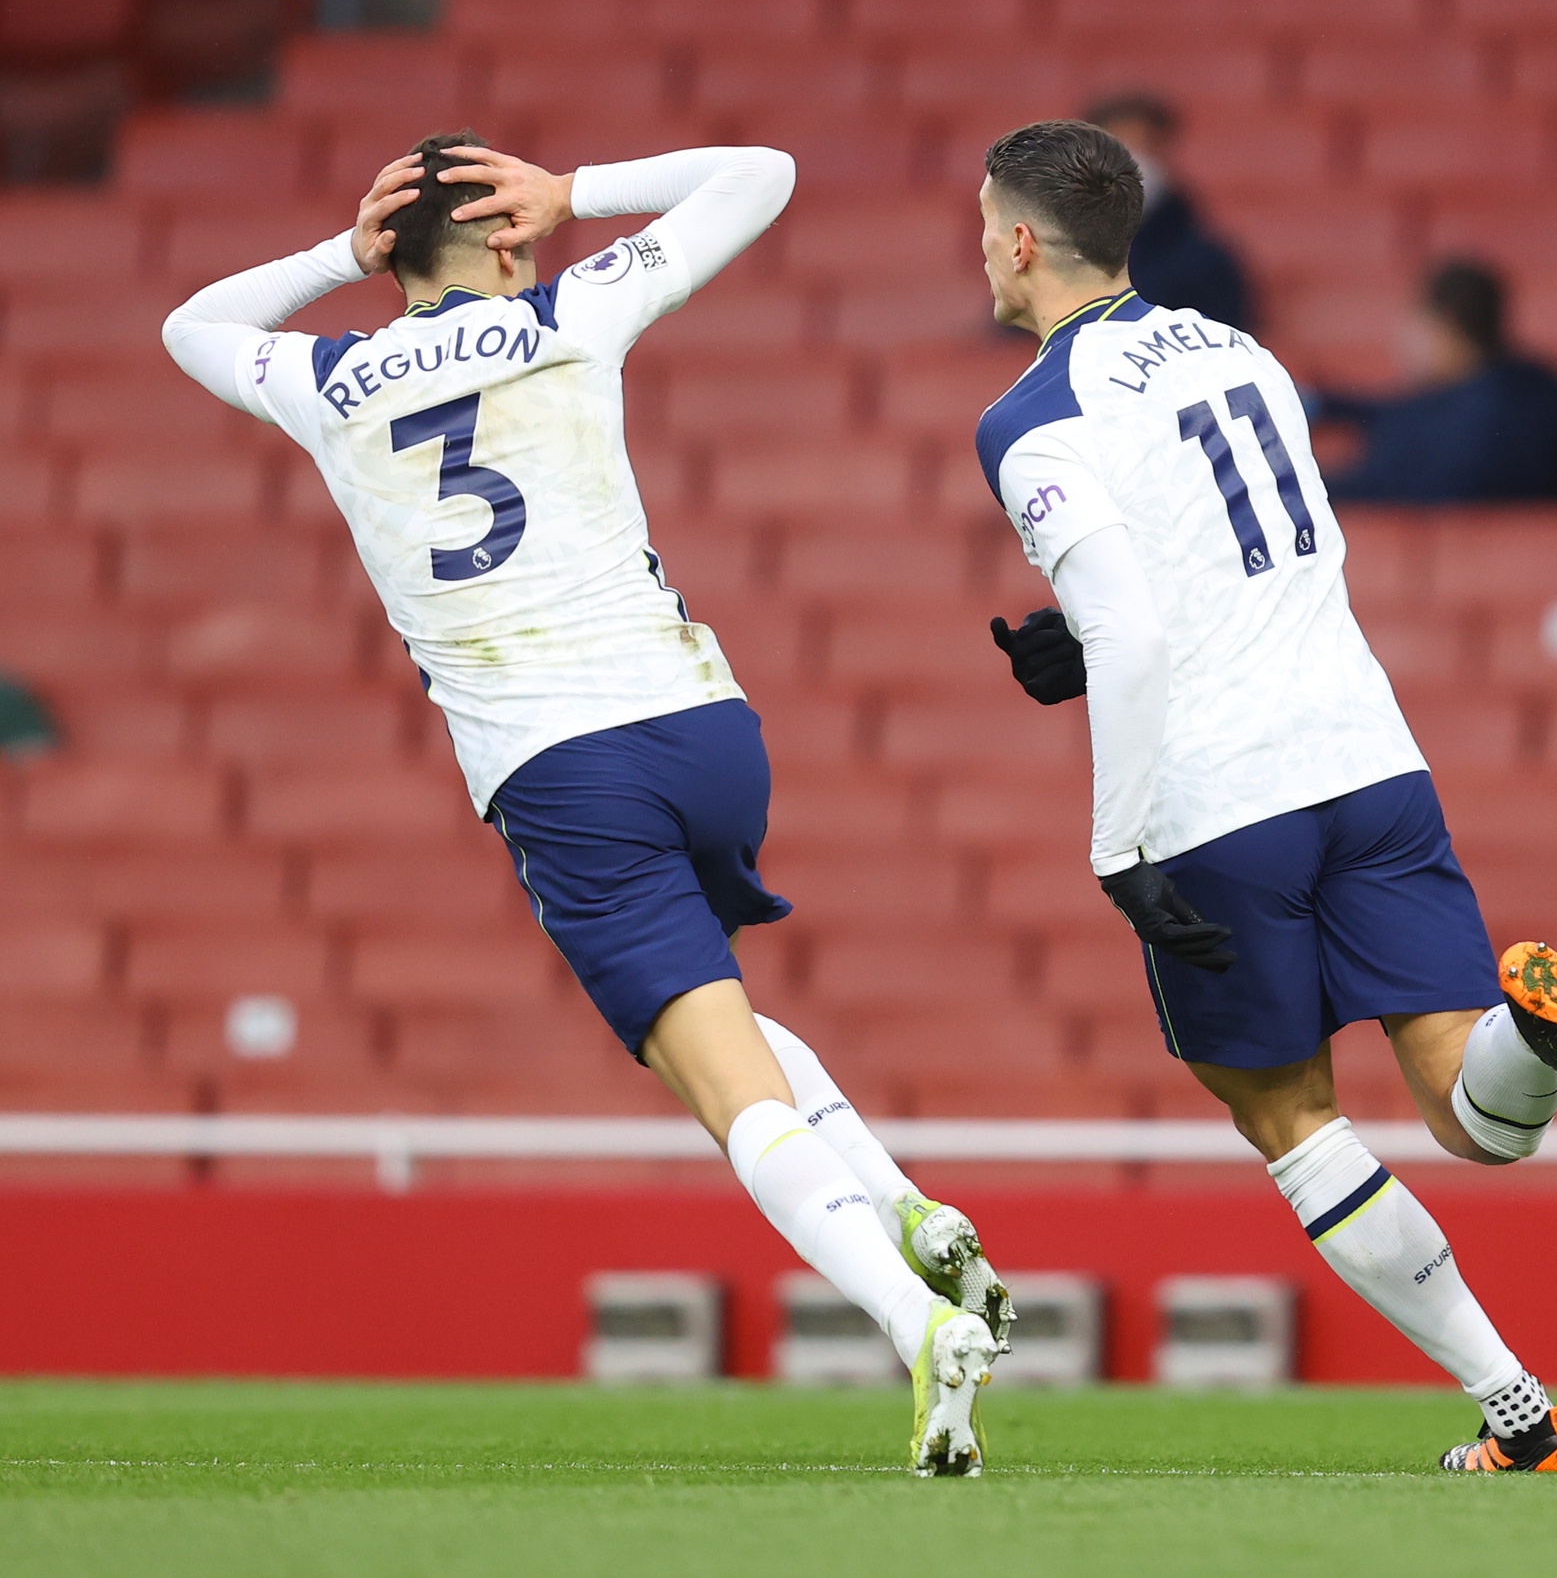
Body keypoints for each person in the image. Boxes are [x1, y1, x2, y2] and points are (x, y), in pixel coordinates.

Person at [162, 132, 1011, 1476]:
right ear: (504, 240)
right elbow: (769, 173)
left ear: (397, 252)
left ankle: (915, 1325)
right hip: (705, 724)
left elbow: (192, 323)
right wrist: (582, 195)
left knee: (716, 1083)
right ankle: (907, 1209)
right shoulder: (571, 306)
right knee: (720, 1013)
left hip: (562, 764)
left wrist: (341, 256)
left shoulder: (323, 376)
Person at [976, 121, 1557, 1473]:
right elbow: (1239, 556)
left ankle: (1526, 1418)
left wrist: (1116, 845)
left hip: (1219, 802)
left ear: (1018, 240)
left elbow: (1130, 624)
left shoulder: (1031, 415)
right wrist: (1091, 638)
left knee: (1292, 1119)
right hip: (1368, 757)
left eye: (981, 227)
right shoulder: (1244, 353)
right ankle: (1533, 1038)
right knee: (1470, 1115)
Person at [1311, 257, 1557, 505]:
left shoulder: (1478, 417)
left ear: (1445, 326)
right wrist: (1324, 406)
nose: (1403, 339)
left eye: (1417, 325)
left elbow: (1392, 481)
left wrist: (1303, 490)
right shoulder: (1536, 383)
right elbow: (1393, 410)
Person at [1084, 93, 1254, 332]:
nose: (1132, 163)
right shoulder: (1051, 256)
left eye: (1144, 147)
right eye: (1117, 149)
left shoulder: (1208, 263)